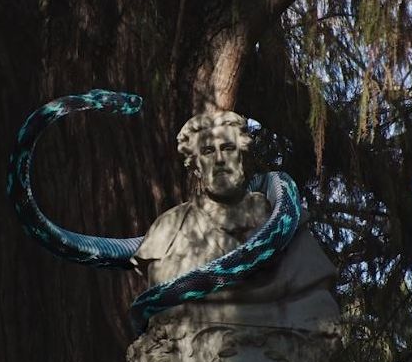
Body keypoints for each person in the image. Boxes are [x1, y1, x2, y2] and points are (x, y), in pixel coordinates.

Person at [132, 111, 336, 322]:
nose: (219, 159)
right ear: (196, 167)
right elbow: (165, 304)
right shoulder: (168, 229)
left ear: (242, 156)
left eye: (228, 148)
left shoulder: (283, 220)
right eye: (208, 151)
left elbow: (319, 300)